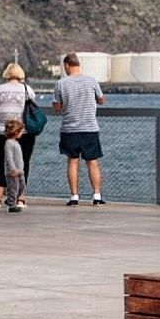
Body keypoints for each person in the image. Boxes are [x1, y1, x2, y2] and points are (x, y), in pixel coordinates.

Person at [52, 53, 107, 206]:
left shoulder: (61, 84)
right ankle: (96, 196)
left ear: (67, 66)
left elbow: (57, 107)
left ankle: (74, 197)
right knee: (92, 161)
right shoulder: (91, 81)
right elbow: (101, 100)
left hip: (70, 128)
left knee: (72, 162)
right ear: (78, 65)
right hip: (89, 127)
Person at [0, 62, 38, 208]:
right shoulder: (27, 89)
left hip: (1, 132)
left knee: (1, 164)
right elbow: (32, 110)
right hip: (23, 133)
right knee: (23, 164)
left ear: (7, 74)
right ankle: (20, 198)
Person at [0, 119, 28, 214]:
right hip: (13, 171)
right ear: (15, 132)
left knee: (22, 186)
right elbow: (9, 157)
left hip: (20, 170)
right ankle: (11, 204)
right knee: (13, 188)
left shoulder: (16, 143)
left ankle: (10, 200)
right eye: (20, 131)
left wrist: (21, 169)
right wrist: (12, 169)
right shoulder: (9, 143)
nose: (22, 133)